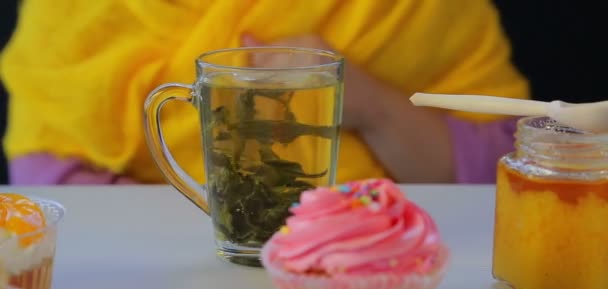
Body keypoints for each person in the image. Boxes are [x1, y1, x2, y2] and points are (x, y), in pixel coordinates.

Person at [0, 0, 528, 185]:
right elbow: (48, 175)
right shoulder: (72, 10)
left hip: (385, 283)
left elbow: (507, 172)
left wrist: (371, 107)